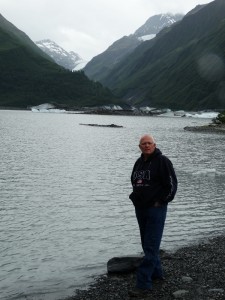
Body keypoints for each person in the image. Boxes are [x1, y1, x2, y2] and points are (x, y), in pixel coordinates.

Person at [128, 134, 177, 297]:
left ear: (154, 145)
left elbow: (171, 185)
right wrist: (135, 197)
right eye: (144, 144)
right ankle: (157, 274)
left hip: (156, 209)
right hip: (141, 208)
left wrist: (162, 201)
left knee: (151, 244)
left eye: (149, 143)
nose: (147, 146)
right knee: (146, 243)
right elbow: (134, 181)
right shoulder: (139, 162)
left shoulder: (163, 161)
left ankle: (143, 284)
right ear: (139, 146)